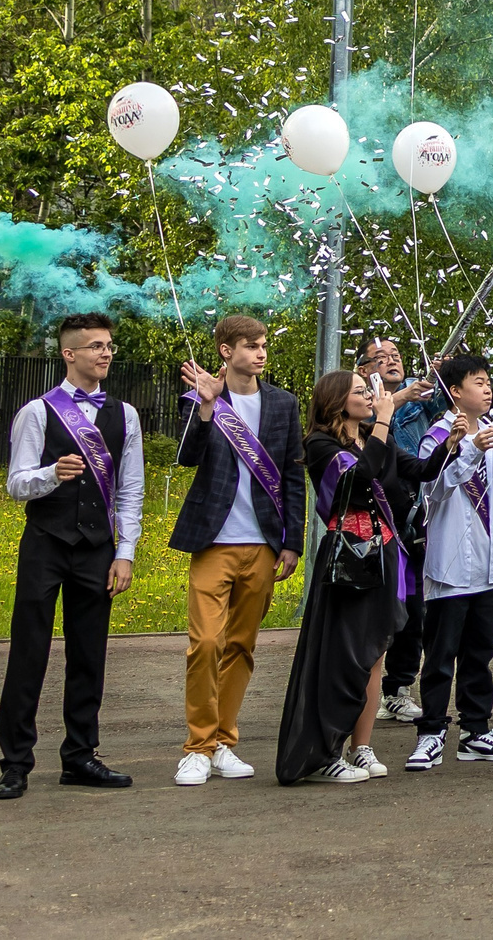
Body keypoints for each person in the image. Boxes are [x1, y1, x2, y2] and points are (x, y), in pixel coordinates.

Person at [276, 365, 450, 784]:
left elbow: (422, 472)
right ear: (337, 400)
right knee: (342, 657)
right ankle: (324, 753)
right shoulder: (319, 444)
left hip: (383, 555)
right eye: (360, 390)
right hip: (347, 561)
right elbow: (360, 477)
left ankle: (361, 747)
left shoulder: (376, 438)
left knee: (373, 656)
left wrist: (453, 445)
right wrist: (385, 421)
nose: (370, 395)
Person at [0, 312, 143, 800]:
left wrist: (125, 553)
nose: (106, 354)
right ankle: (15, 763)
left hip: (98, 550)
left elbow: (131, 492)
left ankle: (80, 756)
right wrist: (50, 474)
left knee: (89, 656)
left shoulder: (126, 415)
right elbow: (16, 484)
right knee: (29, 653)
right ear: (69, 353)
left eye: (109, 346)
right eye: (96, 346)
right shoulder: (37, 412)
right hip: (45, 544)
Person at [170, 313, 303, 787]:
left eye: (264, 344)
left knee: (241, 646)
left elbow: (291, 475)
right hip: (213, 541)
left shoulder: (283, 404)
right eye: (251, 345)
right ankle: (198, 747)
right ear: (227, 351)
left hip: (263, 545)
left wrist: (292, 543)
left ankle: (224, 741)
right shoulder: (206, 397)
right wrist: (206, 407)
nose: (261, 352)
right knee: (205, 643)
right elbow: (188, 454)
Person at [404, 352, 493, 770]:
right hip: (450, 570)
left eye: (489, 381)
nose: (487, 388)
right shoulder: (439, 436)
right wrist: (468, 450)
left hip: (490, 567)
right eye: (478, 382)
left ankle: (476, 731)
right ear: (455, 392)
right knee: (440, 657)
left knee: (479, 656)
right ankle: (432, 732)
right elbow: (432, 491)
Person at [368, 336, 445, 727]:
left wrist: (442, 372)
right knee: (379, 611)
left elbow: (447, 401)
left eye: (396, 356)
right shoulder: (360, 400)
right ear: (365, 370)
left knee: (414, 609)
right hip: (375, 520)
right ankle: (363, 688)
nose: (392, 361)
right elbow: (371, 426)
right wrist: (401, 399)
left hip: (417, 513)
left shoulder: (420, 393)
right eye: (380, 358)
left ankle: (397, 690)